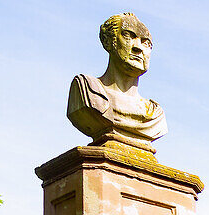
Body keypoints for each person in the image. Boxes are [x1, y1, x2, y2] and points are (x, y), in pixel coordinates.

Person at [67, 13, 167, 150]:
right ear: (109, 41)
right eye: (128, 36)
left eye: (146, 43)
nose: (138, 47)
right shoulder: (87, 90)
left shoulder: (155, 114)